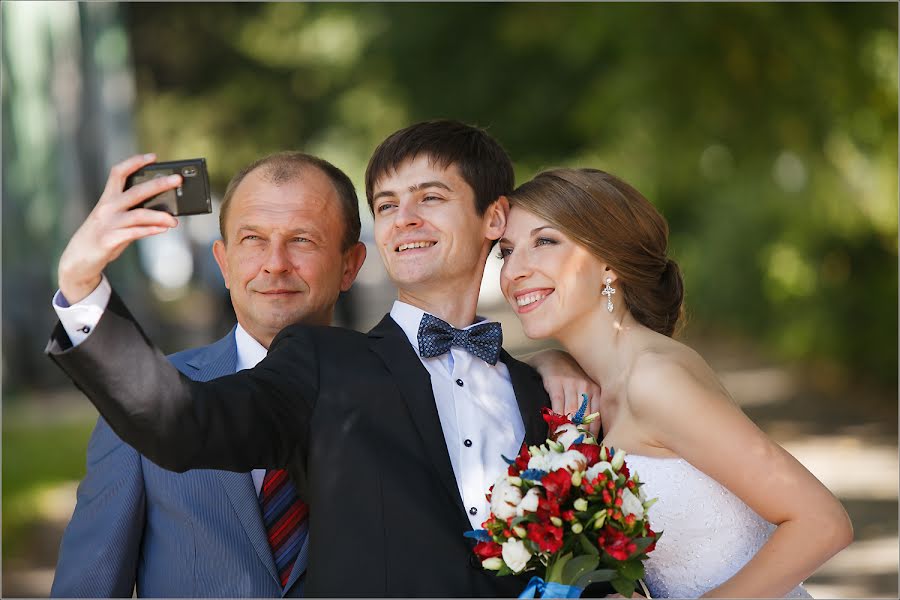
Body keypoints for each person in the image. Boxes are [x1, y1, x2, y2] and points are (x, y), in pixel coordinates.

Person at [46, 121, 600, 597]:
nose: (405, 218)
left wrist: (557, 361)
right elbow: (181, 422)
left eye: (430, 197)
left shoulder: (544, 395)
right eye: (387, 205)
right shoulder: (322, 363)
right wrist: (83, 286)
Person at [497, 167, 854, 598]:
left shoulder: (655, 380)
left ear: (608, 263)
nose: (514, 270)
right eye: (506, 251)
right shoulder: (593, 384)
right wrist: (548, 360)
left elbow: (823, 522)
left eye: (545, 241)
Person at [51, 151, 367, 597]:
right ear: (223, 262)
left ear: (350, 265)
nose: (275, 262)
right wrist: (81, 282)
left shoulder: (392, 393)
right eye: (253, 239)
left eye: (302, 240)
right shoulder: (144, 394)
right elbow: (90, 583)